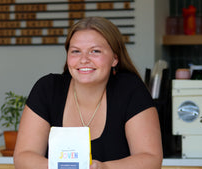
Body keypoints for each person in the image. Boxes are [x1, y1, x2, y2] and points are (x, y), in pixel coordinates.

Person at [14, 16, 163, 169]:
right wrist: (63, 167)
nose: (84, 59)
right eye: (76, 51)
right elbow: (24, 156)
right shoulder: (47, 89)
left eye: (95, 51)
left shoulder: (131, 90)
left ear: (114, 59)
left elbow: (151, 159)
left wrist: (105, 168)